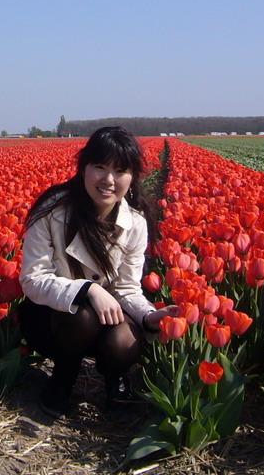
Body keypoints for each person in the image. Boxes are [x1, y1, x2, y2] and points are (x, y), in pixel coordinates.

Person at [19, 125, 176, 417]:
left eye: (120, 171)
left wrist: (150, 316)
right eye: (99, 167)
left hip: (104, 319)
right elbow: (32, 279)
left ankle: (114, 377)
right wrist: (88, 290)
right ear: (83, 168)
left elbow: (128, 289)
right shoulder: (52, 211)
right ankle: (63, 376)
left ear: (132, 176)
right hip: (50, 319)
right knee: (84, 313)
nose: (108, 180)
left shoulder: (136, 223)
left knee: (125, 341)